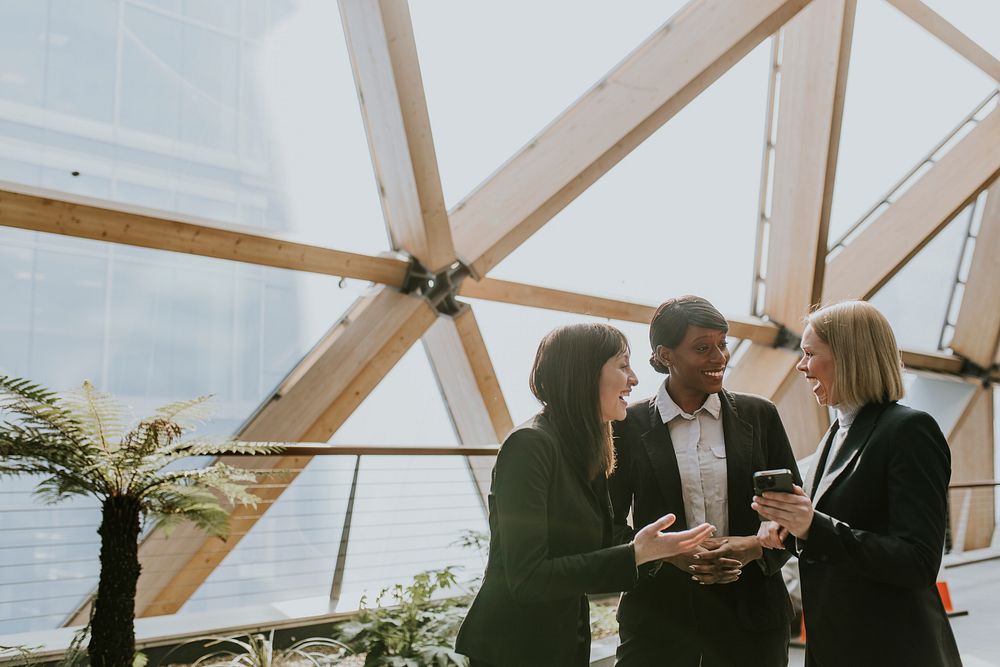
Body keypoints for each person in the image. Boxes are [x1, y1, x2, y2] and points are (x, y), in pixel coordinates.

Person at [456, 323, 715, 667]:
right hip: (515, 648)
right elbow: (527, 577)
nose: (634, 379)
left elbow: (595, 541)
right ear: (584, 374)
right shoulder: (530, 445)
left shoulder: (582, 445)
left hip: (557, 639)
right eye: (623, 365)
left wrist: (663, 550)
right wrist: (636, 554)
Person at [754, 301, 962, 666]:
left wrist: (812, 526)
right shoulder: (834, 435)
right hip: (839, 647)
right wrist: (787, 531)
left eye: (809, 354)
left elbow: (918, 561)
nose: (801, 366)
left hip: (892, 650)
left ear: (849, 356)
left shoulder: (909, 431)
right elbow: (832, 542)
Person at [609, 296, 800, 667]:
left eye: (722, 344)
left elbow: (793, 513)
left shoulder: (760, 415)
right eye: (702, 347)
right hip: (658, 620)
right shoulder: (625, 426)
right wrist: (668, 554)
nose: (719, 357)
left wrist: (753, 548)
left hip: (753, 617)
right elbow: (609, 526)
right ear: (666, 355)